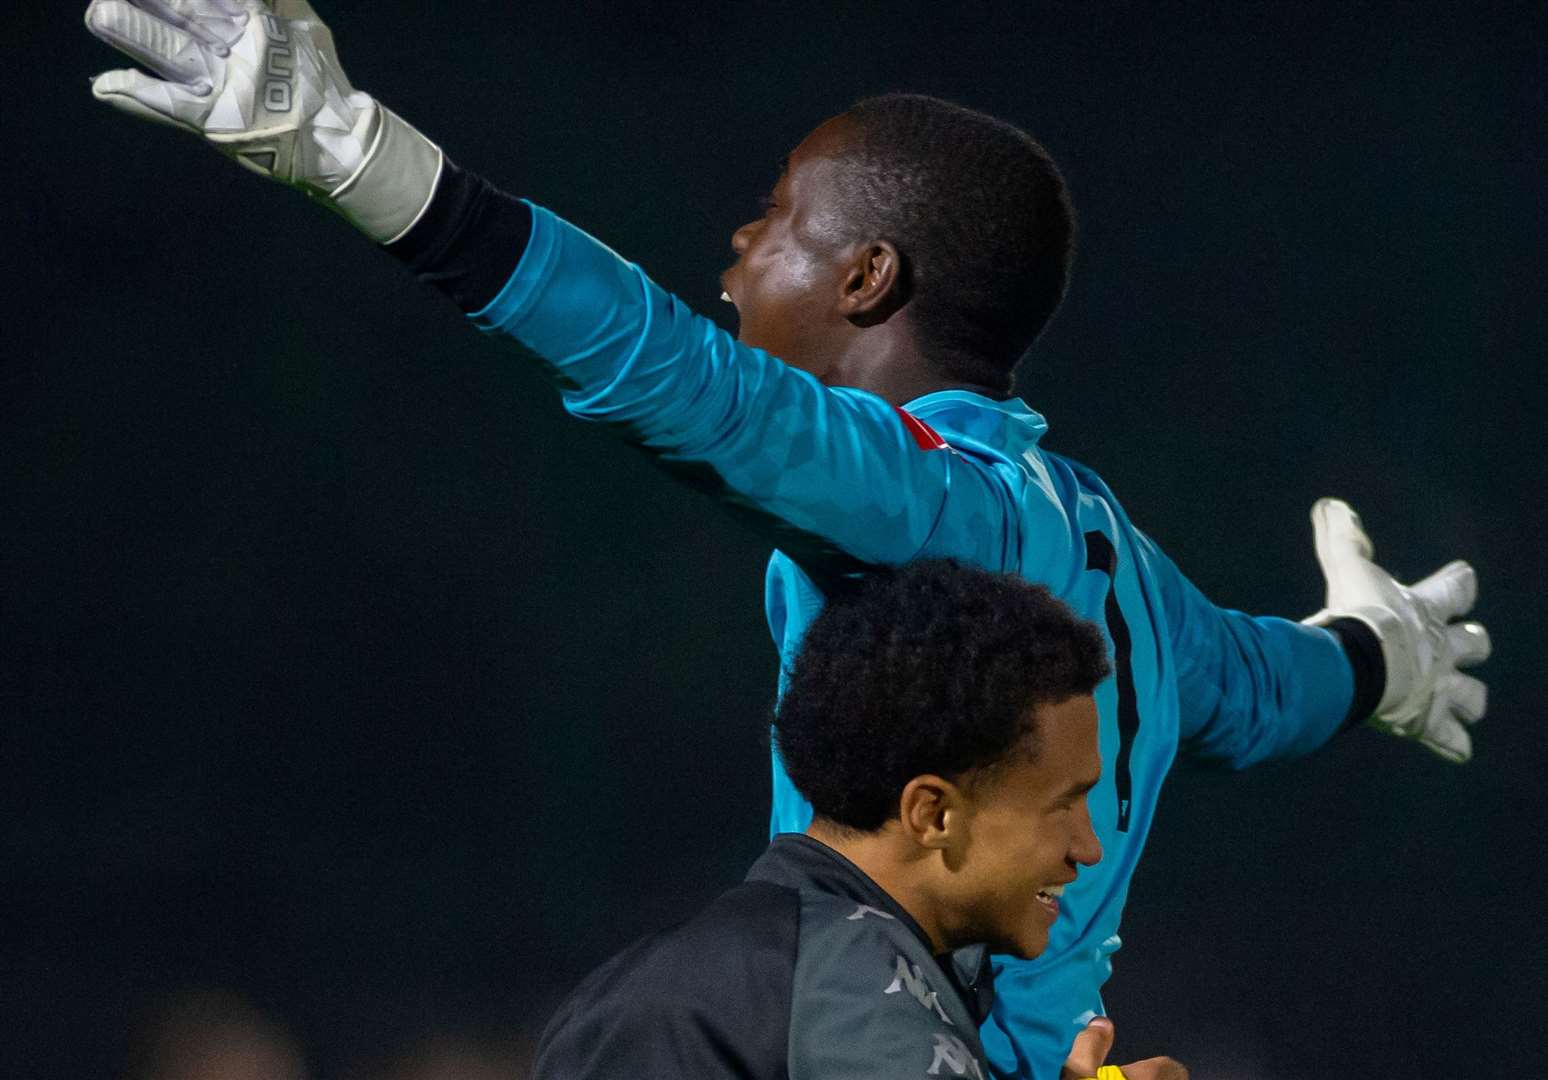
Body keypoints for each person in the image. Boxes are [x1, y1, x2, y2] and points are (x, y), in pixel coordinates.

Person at [81, 3, 1493, 1077]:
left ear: (869, 277)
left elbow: (681, 382)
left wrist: (363, 161)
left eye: (771, 222)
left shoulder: (925, 496)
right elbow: (1260, 690)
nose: (736, 256)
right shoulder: (1103, 538)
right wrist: (1378, 656)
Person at [533, 559, 1178, 1080]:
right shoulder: (855, 991)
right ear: (933, 813)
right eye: (1062, 803)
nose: (1088, 847)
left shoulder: (739, 974)